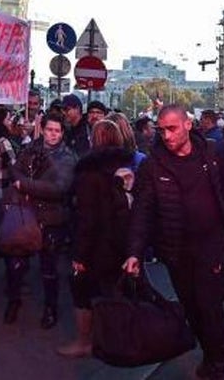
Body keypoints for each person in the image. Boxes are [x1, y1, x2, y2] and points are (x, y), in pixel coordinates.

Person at [123, 105, 224, 380]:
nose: (167, 136)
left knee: (210, 304)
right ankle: (210, 355)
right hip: (176, 250)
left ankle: (218, 361)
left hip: (212, 245)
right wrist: (135, 251)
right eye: (161, 130)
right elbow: (143, 211)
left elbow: (223, 189)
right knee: (192, 306)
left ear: (188, 125)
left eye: (172, 129)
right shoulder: (153, 165)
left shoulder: (210, 152)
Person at [58, 120, 135, 359]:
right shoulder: (127, 167)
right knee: (117, 291)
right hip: (122, 242)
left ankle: (85, 341)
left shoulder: (89, 173)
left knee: (82, 291)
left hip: (96, 245)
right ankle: (121, 339)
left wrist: (79, 254)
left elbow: (87, 218)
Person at [3, 110, 77, 328]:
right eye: (49, 130)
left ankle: (50, 308)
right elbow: (15, 170)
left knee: (49, 268)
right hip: (26, 214)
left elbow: (59, 188)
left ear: (62, 133)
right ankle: (13, 300)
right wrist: (22, 183)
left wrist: (25, 186)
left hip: (51, 218)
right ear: (42, 130)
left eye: (57, 131)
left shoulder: (67, 157)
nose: (52, 134)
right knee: (16, 262)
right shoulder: (31, 148)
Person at [0, 109, 24, 257]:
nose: (10, 122)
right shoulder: (3, 142)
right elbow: (14, 165)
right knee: (3, 222)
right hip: (2, 188)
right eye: (7, 119)